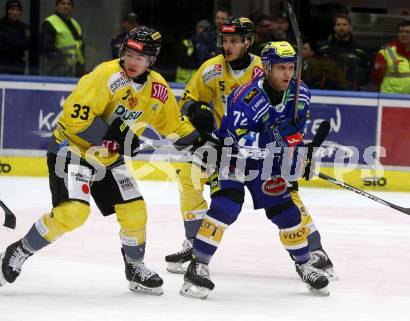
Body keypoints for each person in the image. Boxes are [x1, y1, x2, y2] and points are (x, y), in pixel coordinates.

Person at [0, 26, 199, 295]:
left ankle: (135, 266)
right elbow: (75, 119)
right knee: (74, 212)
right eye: (129, 53)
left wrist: (201, 139)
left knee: (135, 209)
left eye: (140, 57)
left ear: (152, 60)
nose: (132, 60)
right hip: (73, 149)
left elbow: (173, 125)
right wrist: (115, 136)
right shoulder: (105, 75)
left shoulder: (158, 89)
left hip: (108, 160)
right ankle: (20, 250)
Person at [165, 17, 336, 282]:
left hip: (265, 146)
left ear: (248, 42)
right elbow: (186, 101)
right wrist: (195, 111)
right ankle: (195, 242)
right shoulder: (211, 69)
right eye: (225, 40)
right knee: (194, 182)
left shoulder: (269, 69)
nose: (228, 46)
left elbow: (290, 124)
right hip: (225, 144)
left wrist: (299, 152)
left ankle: (314, 250)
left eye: (234, 41)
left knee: (286, 195)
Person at [372, 20, 410, 95]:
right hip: (391, 98)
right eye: (401, 32)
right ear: (397, 34)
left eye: (407, 32)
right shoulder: (385, 52)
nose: (404, 34)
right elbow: (376, 77)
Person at [318, 14, 370, 91]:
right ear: (334, 27)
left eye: (344, 24)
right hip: (326, 92)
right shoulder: (323, 48)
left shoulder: (360, 50)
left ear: (350, 27)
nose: (341, 27)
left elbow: (366, 74)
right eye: (338, 25)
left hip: (351, 93)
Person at [40, 0, 85, 77]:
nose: (66, 6)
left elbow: (81, 45)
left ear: (72, 7)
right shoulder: (49, 22)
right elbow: (46, 46)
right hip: (57, 67)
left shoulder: (75, 23)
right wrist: (61, 57)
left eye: (68, 4)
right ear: (57, 6)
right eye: (63, 3)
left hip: (75, 67)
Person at [0, 0, 31, 74]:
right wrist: (18, 43)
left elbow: (27, 44)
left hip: (18, 64)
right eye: (12, 9)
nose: (15, 12)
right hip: (2, 64)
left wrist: (10, 42)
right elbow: (2, 46)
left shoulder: (25, 27)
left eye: (18, 10)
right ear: (7, 11)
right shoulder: (1, 26)